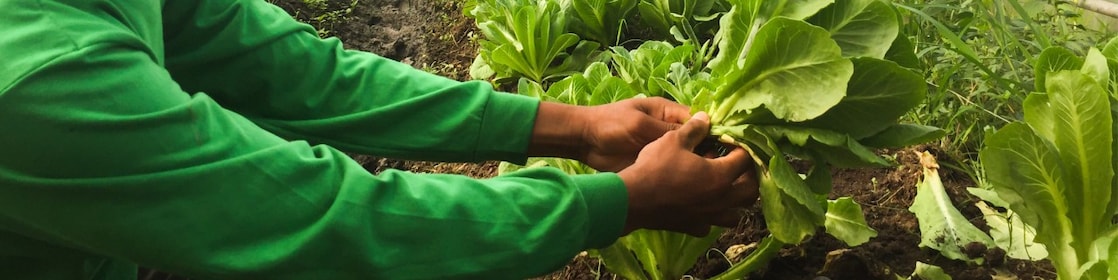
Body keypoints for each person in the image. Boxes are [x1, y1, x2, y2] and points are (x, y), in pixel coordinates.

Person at [0, 0, 759, 279]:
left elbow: (291, 72)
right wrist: (616, 204)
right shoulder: (39, 76)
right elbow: (320, 219)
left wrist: (575, 126)